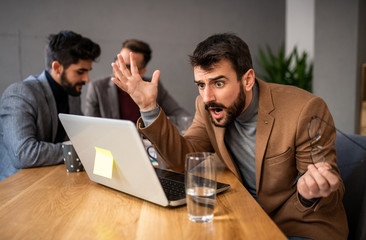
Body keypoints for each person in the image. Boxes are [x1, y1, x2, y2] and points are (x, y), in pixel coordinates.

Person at [111, 33, 348, 239]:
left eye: (218, 83)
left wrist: (310, 194)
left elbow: (330, 193)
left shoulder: (305, 109)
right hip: (246, 216)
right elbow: (183, 159)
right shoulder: (207, 107)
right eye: (201, 85)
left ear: (247, 79)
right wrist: (149, 108)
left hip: (299, 227)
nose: (207, 97)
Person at [0, 30, 101, 181]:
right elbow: (24, 154)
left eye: (87, 71)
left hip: (54, 178)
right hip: (18, 188)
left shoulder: (72, 95)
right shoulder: (19, 94)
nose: (87, 79)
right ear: (57, 67)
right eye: (80, 71)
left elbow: (79, 137)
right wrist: (80, 148)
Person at [85, 39, 190, 123]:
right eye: (118, 61)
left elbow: (180, 114)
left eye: (127, 66)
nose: (119, 68)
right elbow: (91, 126)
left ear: (142, 71)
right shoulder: (97, 88)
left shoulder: (151, 86)